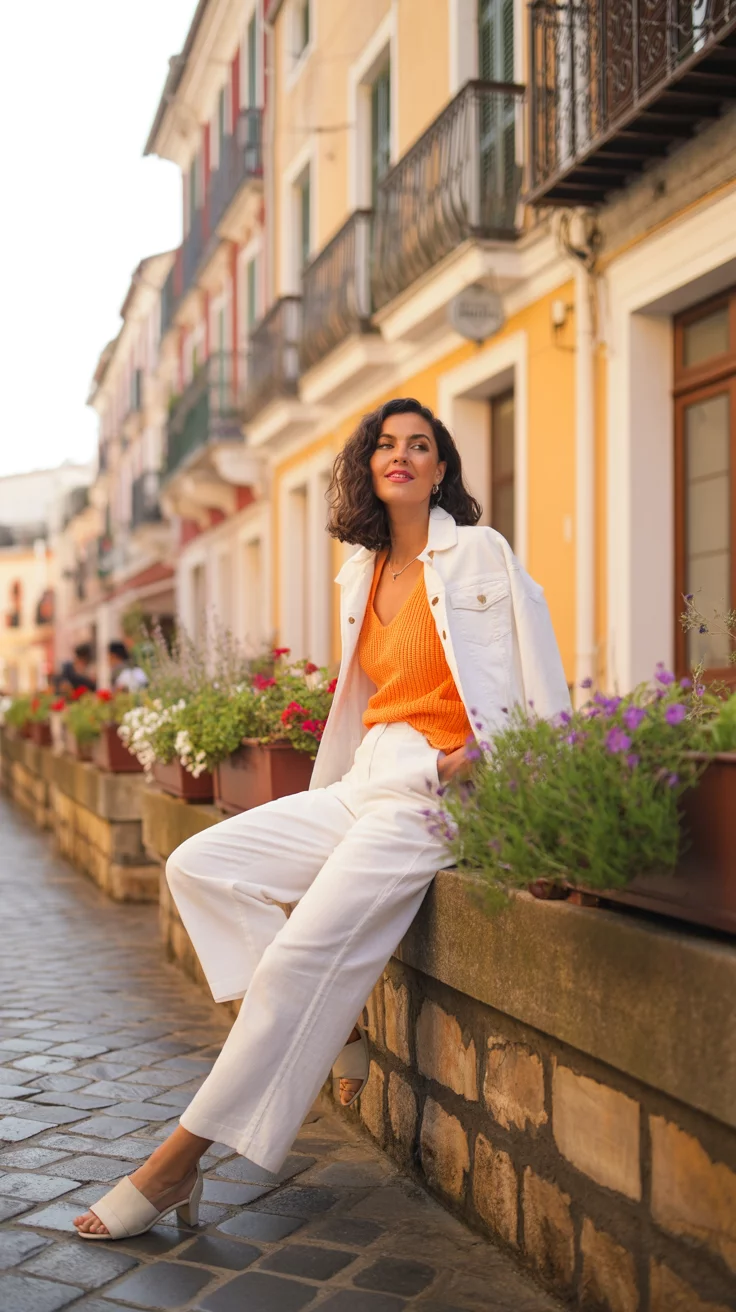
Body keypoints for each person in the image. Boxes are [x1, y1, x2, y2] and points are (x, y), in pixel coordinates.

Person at [73, 397, 570, 1240]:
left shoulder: (480, 554)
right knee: (198, 865)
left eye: (421, 446)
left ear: (442, 470)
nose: (403, 456)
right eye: (386, 445)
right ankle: (333, 1028)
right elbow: (367, 696)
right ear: (369, 466)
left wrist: (479, 771)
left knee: (297, 961)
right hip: (364, 776)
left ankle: (174, 1164)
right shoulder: (361, 570)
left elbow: (537, 673)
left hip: (432, 791)